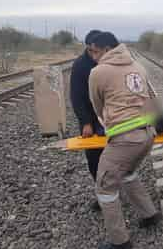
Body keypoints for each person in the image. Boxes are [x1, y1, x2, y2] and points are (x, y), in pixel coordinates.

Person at [89, 32, 160, 249]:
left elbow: (97, 105)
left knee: (105, 188)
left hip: (125, 137)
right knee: (128, 173)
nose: (93, 55)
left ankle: (119, 241)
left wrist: (110, 123)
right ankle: (149, 214)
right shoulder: (138, 66)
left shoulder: (98, 71)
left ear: (107, 49)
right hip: (147, 133)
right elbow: (152, 98)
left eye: (95, 50)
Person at [70, 29, 105, 211]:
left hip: (111, 119)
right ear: (88, 48)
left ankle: (113, 189)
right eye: (92, 50)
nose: (95, 54)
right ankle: (102, 196)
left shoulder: (108, 63)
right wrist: (85, 122)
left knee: (115, 157)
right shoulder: (80, 66)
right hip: (91, 121)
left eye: (98, 50)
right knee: (94, 160)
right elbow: (76, 98)